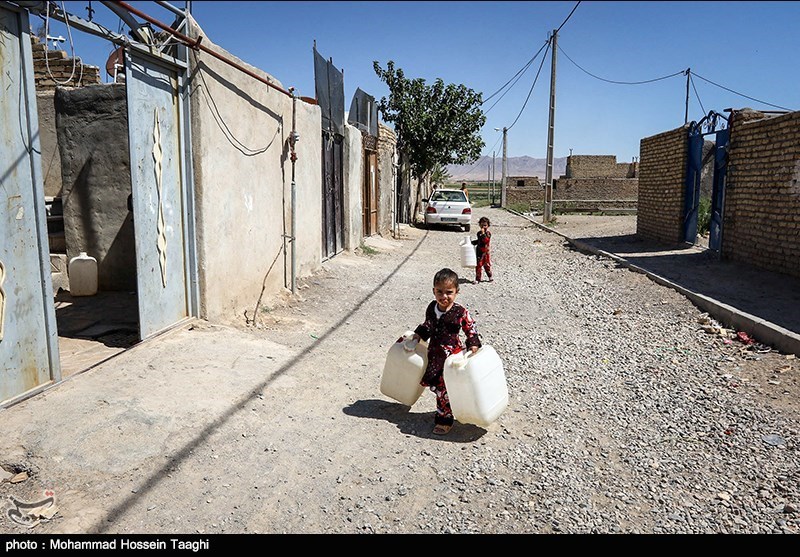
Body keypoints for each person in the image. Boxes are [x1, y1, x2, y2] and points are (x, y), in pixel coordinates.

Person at [409, 268, 481, 435]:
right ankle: (448, 411)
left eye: (449, 292)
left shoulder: (459, 311)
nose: (444, 296)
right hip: (435, 355)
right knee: (440, 389)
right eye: (439, 292)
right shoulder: (432, 308)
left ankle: (444, 420)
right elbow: (428, 325)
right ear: (433, 290)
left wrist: (473, 343)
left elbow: (470, 327)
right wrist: (418, 335)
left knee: (446, 389)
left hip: (452, 357)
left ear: (457, 292)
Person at [472, 216, 493, 283]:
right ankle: (478, 279)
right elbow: (479, 241)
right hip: (479, 251)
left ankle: (490, 276)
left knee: (486, 265)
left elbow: (486, 241)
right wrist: (473, 242)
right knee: (478, 265)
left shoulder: (488, 234)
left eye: (485, 225)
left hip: (485, 252)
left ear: (488, 226)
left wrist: (483, 234)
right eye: (481, 225)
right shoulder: (479, 233)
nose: (483, 227)